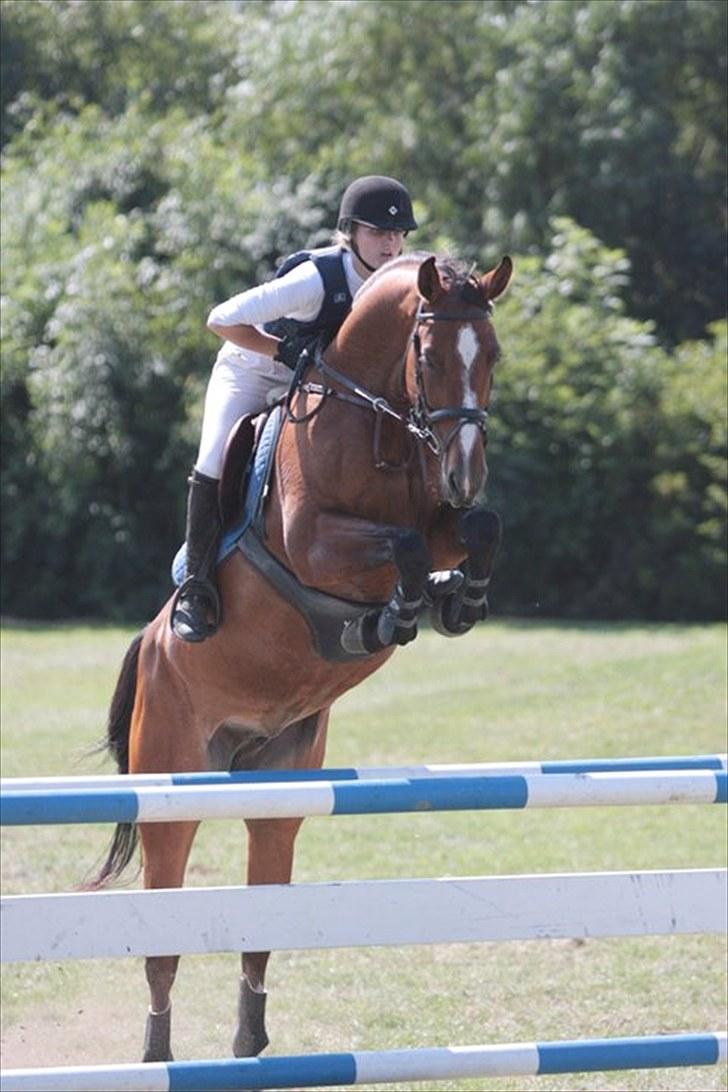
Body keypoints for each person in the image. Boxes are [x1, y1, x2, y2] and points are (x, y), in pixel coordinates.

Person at [171, 175, 418, 642]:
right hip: (251, 369)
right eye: (378, 233)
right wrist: (279, 352)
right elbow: (221, 318)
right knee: (213, 459)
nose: (390, 244)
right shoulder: (316, 279)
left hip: (318, 385)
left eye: (398, 234)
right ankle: (196, 586)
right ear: (351, 232)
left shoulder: (393, 288)